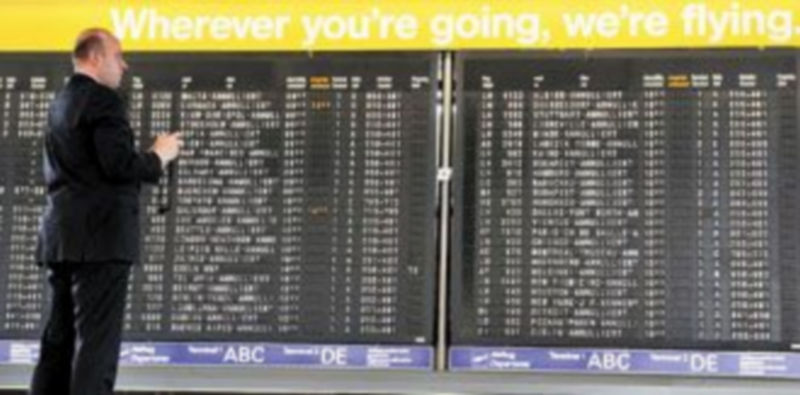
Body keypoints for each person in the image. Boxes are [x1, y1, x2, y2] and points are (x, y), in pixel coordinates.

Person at [30, 28, 183, 395]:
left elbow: (82, 169)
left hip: (60, 239)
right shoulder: (104, 101)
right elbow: (118, 165)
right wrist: (159, 155)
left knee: (57, 343)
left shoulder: (60, 102)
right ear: (96, 57)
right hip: (101, 242)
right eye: (118, 56)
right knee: (96, 345)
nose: (124, 65)